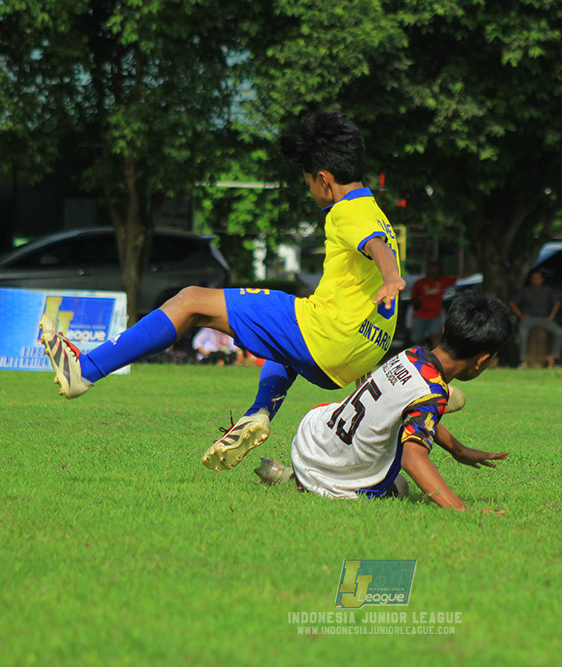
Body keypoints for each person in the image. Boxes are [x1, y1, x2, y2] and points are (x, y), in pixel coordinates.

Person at [39, 111, 406, 470]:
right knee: (280, 341)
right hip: (356, 355)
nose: (308, 188)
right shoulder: (374, 210)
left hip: (327, 336)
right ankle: (258, 413)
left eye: (308, 180)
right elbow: (378, 245)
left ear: (324, 179)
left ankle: (85, 370)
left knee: (190, 300)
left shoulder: (348, 213)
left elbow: (376, 248)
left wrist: (391, 277)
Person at [255, 290, 514, 511]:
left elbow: (410, 415)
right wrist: (464, 511)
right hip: (331, 469)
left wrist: (457, 449)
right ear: (482, 361)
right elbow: (413, 459)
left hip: (312, 438)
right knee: (398, 486)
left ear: (444, 330)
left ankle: (298, 474)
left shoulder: (413, 355)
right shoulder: (432, 392)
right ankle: (299, 481)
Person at [509, 269, 562, 369]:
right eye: (534, 279)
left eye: (538, 279)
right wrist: (521, 315)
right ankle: (524, 361)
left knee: (559, 332)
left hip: (544, 319)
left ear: (542, 280)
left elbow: (557, 302)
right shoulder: (525, 290)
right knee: (522, 333)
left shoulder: (547, 290)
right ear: (531, 280)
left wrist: (552, 315)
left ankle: (553, 359)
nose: (536, 281)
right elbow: (512, 303)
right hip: (529, 319)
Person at [408, 259, 458, 348]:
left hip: (435, 316)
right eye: (430, 267)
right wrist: (417, 304)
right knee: (418, 340)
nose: (432, 270)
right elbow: (413, 299)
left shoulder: (442, 281)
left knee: (435, 337)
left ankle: (435, 358)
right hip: (420, 315)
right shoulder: (419, 283)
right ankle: (416, 359)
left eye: (434, 268)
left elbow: (458, 278)